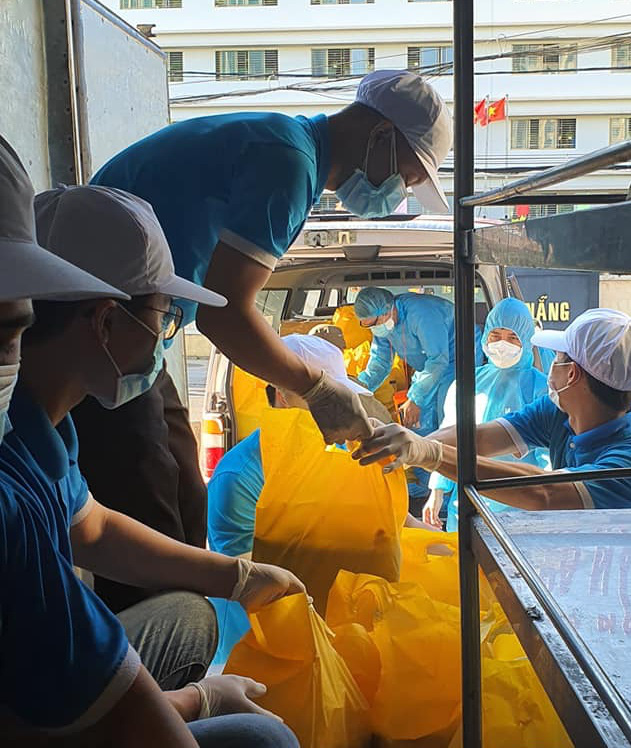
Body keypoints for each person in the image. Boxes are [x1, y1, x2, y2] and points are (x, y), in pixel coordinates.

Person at [77, 70, 453, 598]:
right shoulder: (289, 163)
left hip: (140, 335)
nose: (401, 192)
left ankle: (177, 644)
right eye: (409, 178)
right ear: (381, 137)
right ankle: (147, 665)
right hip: (105, 334)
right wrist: (321, 389)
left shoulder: (288, 146)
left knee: (187, 500)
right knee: (148, 520)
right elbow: (224, 314)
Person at [0, 137, 299, 747]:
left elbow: (95, 530)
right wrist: (194, 702)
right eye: (163, 316)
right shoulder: (14, 498)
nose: (165, 339)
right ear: (107, 321)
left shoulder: (46, 431)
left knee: (193, 616)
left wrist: (235, 575)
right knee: (262, 739)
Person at [354, 308, 631, 512]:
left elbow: (544, 492)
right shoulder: (559, 412)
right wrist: (403, 444)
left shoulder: (623, 461)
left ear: (571, 374)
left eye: (557, 358)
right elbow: (483, 438)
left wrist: (431, 455)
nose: (549, 366)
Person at [424, 298, 549, 530]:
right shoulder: (467, 383)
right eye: (496, 335)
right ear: (486, 336)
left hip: (518, 508)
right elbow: (449, 436)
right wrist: (437, 491)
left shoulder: (539, 387)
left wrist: (548, 500)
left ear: (527, 340)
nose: (502, 344)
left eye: (513, 337)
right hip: (467, 501)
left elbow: (547, 456)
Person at [353, 286, 455, 506]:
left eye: (374, 323)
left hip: (456, 362)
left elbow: (438, 360)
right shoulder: (383, 325)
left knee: (448, 421)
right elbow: (380, 363)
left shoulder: (422, 314)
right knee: (419, 424)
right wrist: (357, 387)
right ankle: (429, 486)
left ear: (387, 309)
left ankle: (449, 492)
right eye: (367, 325)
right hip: (429, 369)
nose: (375, 329)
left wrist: (416, 398)